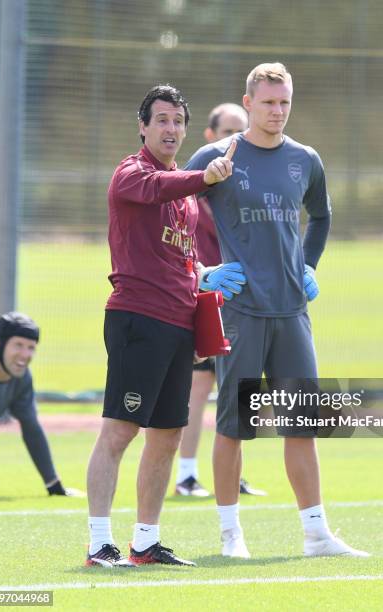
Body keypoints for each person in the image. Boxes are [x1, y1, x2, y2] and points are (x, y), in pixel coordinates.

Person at [186, 63, 370, 558]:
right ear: (248, 103)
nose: (278, 111)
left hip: (292, 313)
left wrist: (307, 265)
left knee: (303, 425)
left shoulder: (305, 159)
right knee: (233, 427)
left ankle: (317, 535)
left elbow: (323, 216)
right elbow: (170, 213)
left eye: (285, 101)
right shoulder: (216, 155)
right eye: (268, 102)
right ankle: (231, 537)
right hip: (241, 312)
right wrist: (203, 272)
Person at [85, 84, 238, 568]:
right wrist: (204, 178)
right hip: (138, 317)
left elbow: (184, 262)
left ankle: (145, 542)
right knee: (120, 430)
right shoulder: (132, 173)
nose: (171, 128)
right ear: (144, 127)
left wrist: (204, 290)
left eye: (177, 121)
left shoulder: (188, 198)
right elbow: (155, 189)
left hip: (177, 323)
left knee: (169, 433)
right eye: (162, 120)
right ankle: (98, 543)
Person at [175, 103, 266, 498]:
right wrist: (202, 277)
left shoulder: (250, 184)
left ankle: (232, 472)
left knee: (242, 389)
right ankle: (187, 474)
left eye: (241, 131)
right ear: (210, 136)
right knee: (198, 389)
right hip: (205, 293)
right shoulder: (198, 185)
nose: (236, 138)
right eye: (229, 130)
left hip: (242, 300)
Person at [0, 311, 83, 498]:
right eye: (18, 345)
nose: (25, 354)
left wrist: (54, 485)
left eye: (31, 347)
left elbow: (32, 429)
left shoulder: (21, 379)